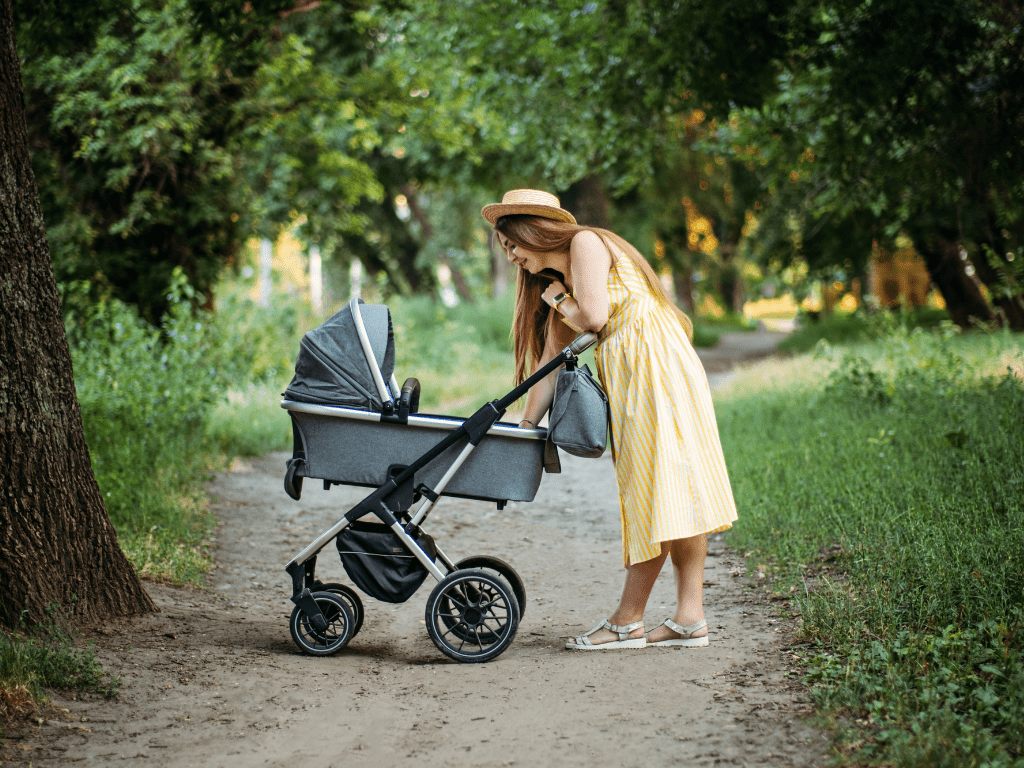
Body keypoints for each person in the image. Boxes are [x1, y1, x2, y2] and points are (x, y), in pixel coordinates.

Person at [481, 189, 739, 650]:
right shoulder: (565, 286)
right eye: (505, 249)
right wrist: (524, 428)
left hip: (655, 369)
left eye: (511, 244)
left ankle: (627, 621)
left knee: (656, 489)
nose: (512, 256)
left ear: (531, 230)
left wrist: (560, 299)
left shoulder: (584, 245)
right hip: (647, 371)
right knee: (673, 486)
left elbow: (595, 318)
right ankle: (689, 618)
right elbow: (550, 364)